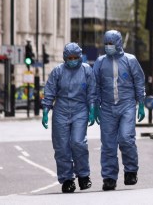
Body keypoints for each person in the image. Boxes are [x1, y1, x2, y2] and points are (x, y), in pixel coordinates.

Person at [93, 30, 146, 191]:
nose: (108, 46)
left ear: (119, 43)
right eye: (106, 43)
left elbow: (139, 81)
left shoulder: (130, 60)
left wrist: (141, 103)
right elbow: (95, 85)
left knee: (125, 138)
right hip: (107, 108)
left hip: (127, 105)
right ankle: (109, 177)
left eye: (111, 43)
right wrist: (95, 106)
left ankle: (131, 170)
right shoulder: (100, 62)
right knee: (108, 144)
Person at [41, 42, 97, 193]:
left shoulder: (87, 71)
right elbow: (50, 91)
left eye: (75, 57)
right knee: (62, 147)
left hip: (80, 109)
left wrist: (93, 109)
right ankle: (67, 179)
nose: (73, 60)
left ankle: (83, 175)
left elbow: (92, 92)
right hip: (61, 110)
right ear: (65, 58)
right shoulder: (57, 71)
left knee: (78, 142)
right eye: (70, 57)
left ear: (80, 57)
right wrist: (46, 110)